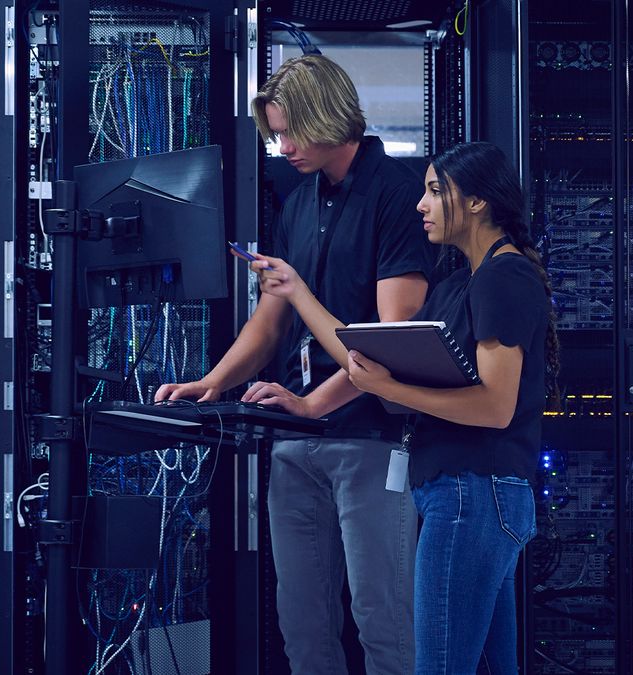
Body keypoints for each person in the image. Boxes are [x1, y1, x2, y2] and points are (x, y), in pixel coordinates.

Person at [155, 54, 434, 674]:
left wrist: (312, 403)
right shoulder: (298, 203)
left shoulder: (398, 195)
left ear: (329, 115)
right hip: (293, 437)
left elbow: (392, 338)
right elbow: (271, 318)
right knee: (302, 625)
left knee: (381, 619)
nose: (282, 147)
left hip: (371, 436)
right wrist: (213, 382)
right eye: (275, 134)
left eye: (291, 132)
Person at [247, 141, 559, 674]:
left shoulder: (503, 278)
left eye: (436, 192)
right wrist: (297, 292)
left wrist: (394, 392)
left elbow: (495, 406)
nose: (421, 205)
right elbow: (364, 354)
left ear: (478, 202)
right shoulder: (462, 281)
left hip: (472, 495)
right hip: (470, 495)